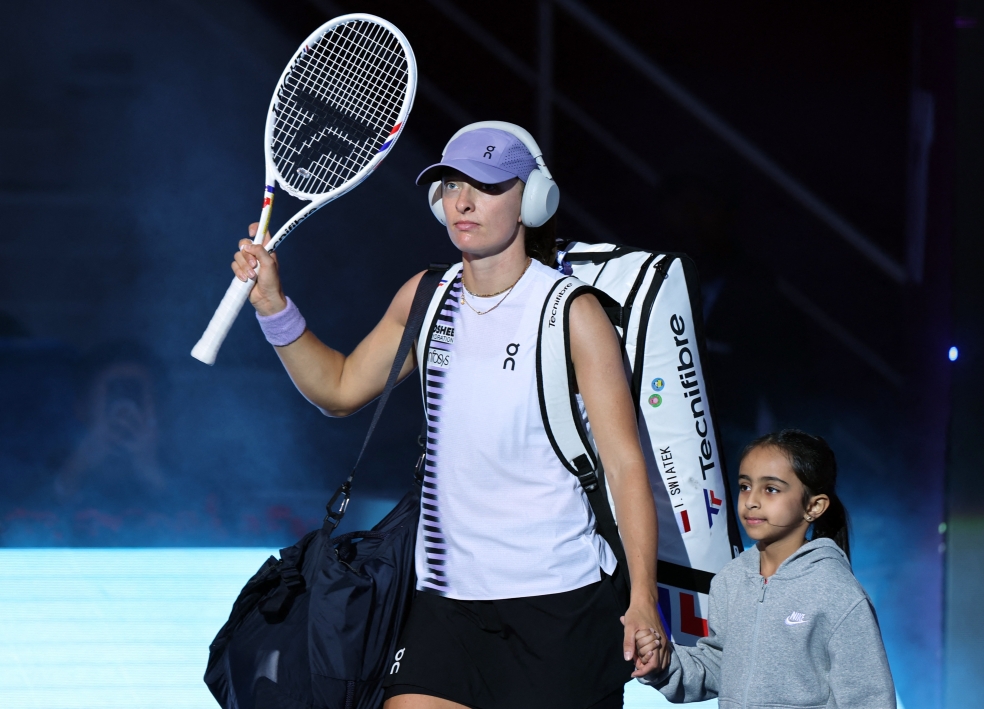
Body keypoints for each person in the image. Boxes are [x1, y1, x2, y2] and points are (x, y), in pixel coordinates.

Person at [231, 124, 668, 709]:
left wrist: (643, 598)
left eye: (486, 186)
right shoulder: (426, 296)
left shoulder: (574, 313)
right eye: (451, 185)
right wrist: (273, 307)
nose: (463, 201)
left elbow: (625, 465)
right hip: (444, 603)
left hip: (560, 605)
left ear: (534, 199)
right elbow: (336, 389)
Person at [636, 429, 896, 708]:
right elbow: (720, 666)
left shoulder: (837, 591)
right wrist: (664, 665)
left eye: (771, 489)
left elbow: (868, 698)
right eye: (745, 486)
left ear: (814, 506)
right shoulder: (730, 579)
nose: (751, 500)